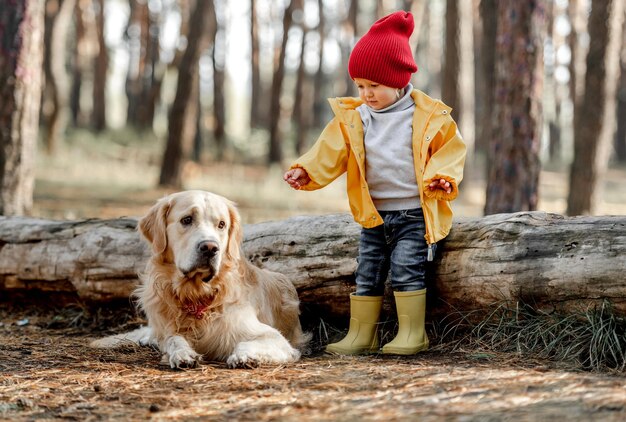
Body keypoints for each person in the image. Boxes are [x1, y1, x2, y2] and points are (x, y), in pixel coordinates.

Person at [283, 11, 466, 356]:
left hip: (414, 214)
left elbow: (451, 151)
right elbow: (329, 151)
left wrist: (442, 178)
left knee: (406, 271)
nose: (367, 94)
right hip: (374, 215)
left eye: (374, 86)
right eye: (361, 86)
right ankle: (361, 334)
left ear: (397, 80)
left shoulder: (427, 116)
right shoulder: (356, 118)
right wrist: (306, 170)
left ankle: (413, 333)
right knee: (366, 272)